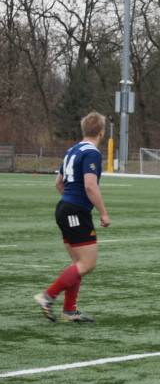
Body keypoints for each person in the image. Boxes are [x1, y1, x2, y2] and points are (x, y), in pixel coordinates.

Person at [34, 112, 111, 323]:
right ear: (102, 132)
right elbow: (89, 185)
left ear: (84, 130)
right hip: (75, 212)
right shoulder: (92, 152)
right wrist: (103, 212)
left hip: (64, 208)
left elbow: (58, 183)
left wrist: (69, 203)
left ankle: (69, 310)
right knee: (87, 263)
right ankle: (47, 296)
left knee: (77, 262)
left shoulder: (72, 150)